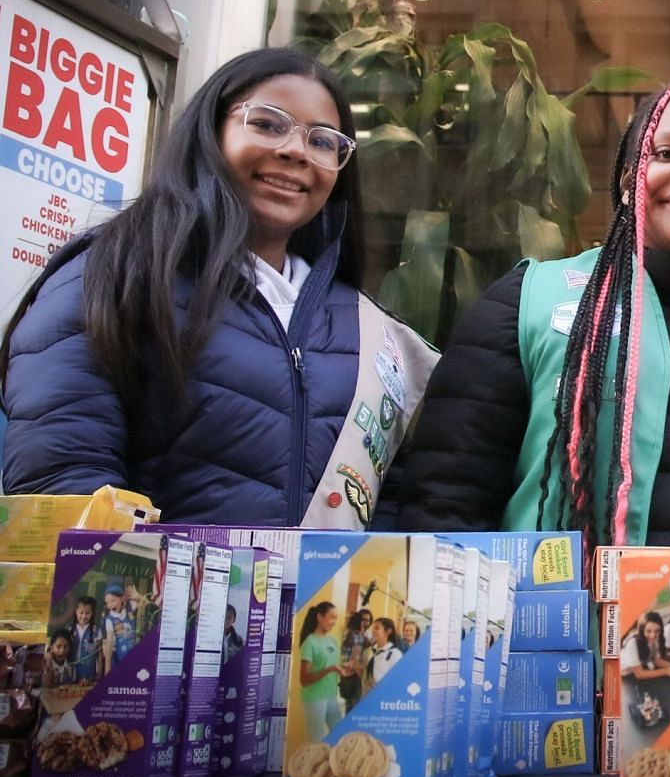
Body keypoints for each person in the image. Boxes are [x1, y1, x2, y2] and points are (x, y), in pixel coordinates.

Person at [377, 77, 670, 550]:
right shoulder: (530, 304)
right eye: (666, 154)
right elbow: (444, 506)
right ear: (627, 181)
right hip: (555, 622)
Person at [0, 49, 436, 527]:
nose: (296, 151)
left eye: (324, 141)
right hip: (148, 597)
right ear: (210, 132)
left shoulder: (366, 330)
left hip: (325, 604)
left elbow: (386, 506)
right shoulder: (118, 271)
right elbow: (63, 474)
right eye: (268, 124)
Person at [296, 602, 347, 738]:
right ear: (320, 617)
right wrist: (329, 670)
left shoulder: (332, 640)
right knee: (316, 740)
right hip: (315, 698)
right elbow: (304, 680)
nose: (334, 622)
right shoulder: (310, 642)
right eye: (332, 617)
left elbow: (335, 666)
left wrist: (347, 666)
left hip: (331, 696)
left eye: (336, 618)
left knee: (339, 736)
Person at [619, 612, 670, 688]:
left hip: (636, 670)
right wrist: (667, 671)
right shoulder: (632, 643)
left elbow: (656, 660)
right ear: (642, 630)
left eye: (657, 631)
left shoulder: (655, 640)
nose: (653, 635)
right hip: (625, 677)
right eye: (648, 631)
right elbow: (639, 674)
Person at [338, 609, 371, 710]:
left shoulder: (347, 634)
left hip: (345, 673)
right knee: (354, 704)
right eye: (363, 621)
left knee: (349, 703)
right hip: (355, 674)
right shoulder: (356, 636)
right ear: (359, 622)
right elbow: (355, 656)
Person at [101, 585, 136, 673]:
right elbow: (109, 644)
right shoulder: (109, 619)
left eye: (113, 601)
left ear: (122, 599)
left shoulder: (129, 609)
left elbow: (145, 602)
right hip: (120, 656)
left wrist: (137, 596)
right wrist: (107, 671)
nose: (110, 605)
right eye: (107, 603)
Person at [68, 597, 103, 681]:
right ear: (76, 612)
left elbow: (99, 652)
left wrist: (100, 671)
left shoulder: (97, 631)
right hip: (71, 672)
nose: (83, 616)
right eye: (81, 612)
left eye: (87, 613)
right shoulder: (69, 630)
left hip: (89, 672)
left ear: (92, 614)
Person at [364, 617, 402, 688]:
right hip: (367, 694)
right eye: (373, 628)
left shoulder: (395, 654)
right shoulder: (370, 651)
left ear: (388, 631)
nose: (373, 631)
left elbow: (397, 679)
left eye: (377, 628)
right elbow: (366, 674)